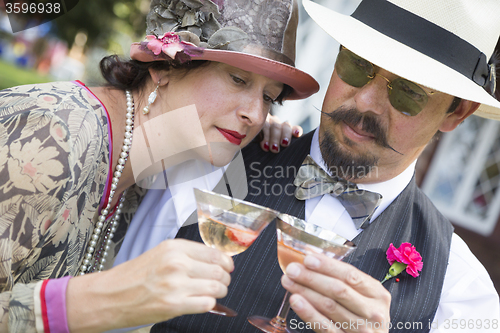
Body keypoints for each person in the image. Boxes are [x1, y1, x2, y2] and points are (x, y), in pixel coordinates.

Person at [153, 0, 500, 332]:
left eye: (408, 92)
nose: (365, 101)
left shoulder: (460, 289)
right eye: (357, 65)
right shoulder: (216, 162)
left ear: (457, 112)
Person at [0, 0, 319, 331]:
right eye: (238, 79)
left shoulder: (145, 166)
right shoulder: (51, 137)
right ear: (163, 67)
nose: (254, 114)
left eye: (268, 97)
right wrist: (103, 300)